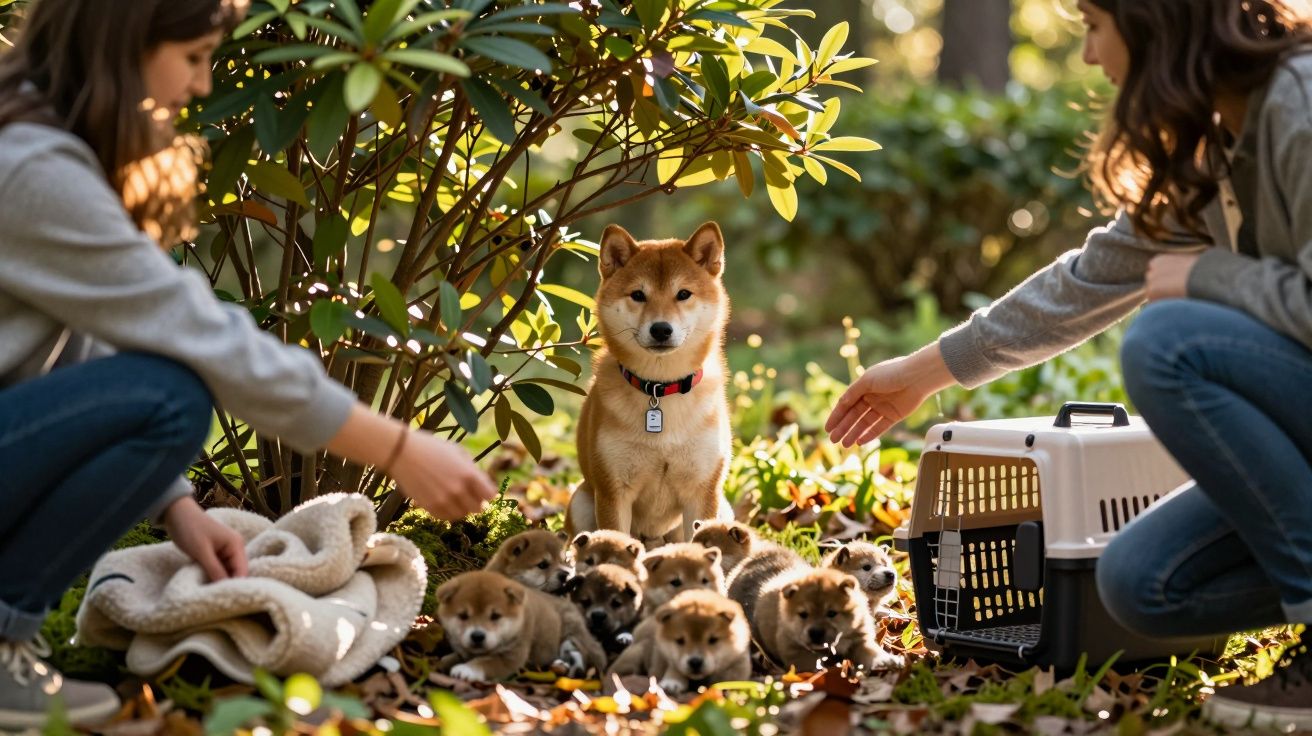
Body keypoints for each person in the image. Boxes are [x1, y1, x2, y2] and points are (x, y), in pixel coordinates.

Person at [0, 0, 499, 728]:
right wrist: (396, 447)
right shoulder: (32, 168)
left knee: (159, 388)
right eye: (195, 55)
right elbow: (192, 331)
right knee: (171, 393)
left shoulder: (34, 140)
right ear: (124, 46)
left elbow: (91, 340)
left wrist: (176, 507)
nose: (202, 84)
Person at [826, 0, 1312, 730]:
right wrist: (923, 373)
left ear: (1153, 22)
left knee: (1168, 340)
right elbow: (1086, 281)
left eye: (1092, 24)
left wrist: (1207, 276)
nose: (1088, 54)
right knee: (1139, 584)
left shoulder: (1298, 105)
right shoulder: (1213, 141)